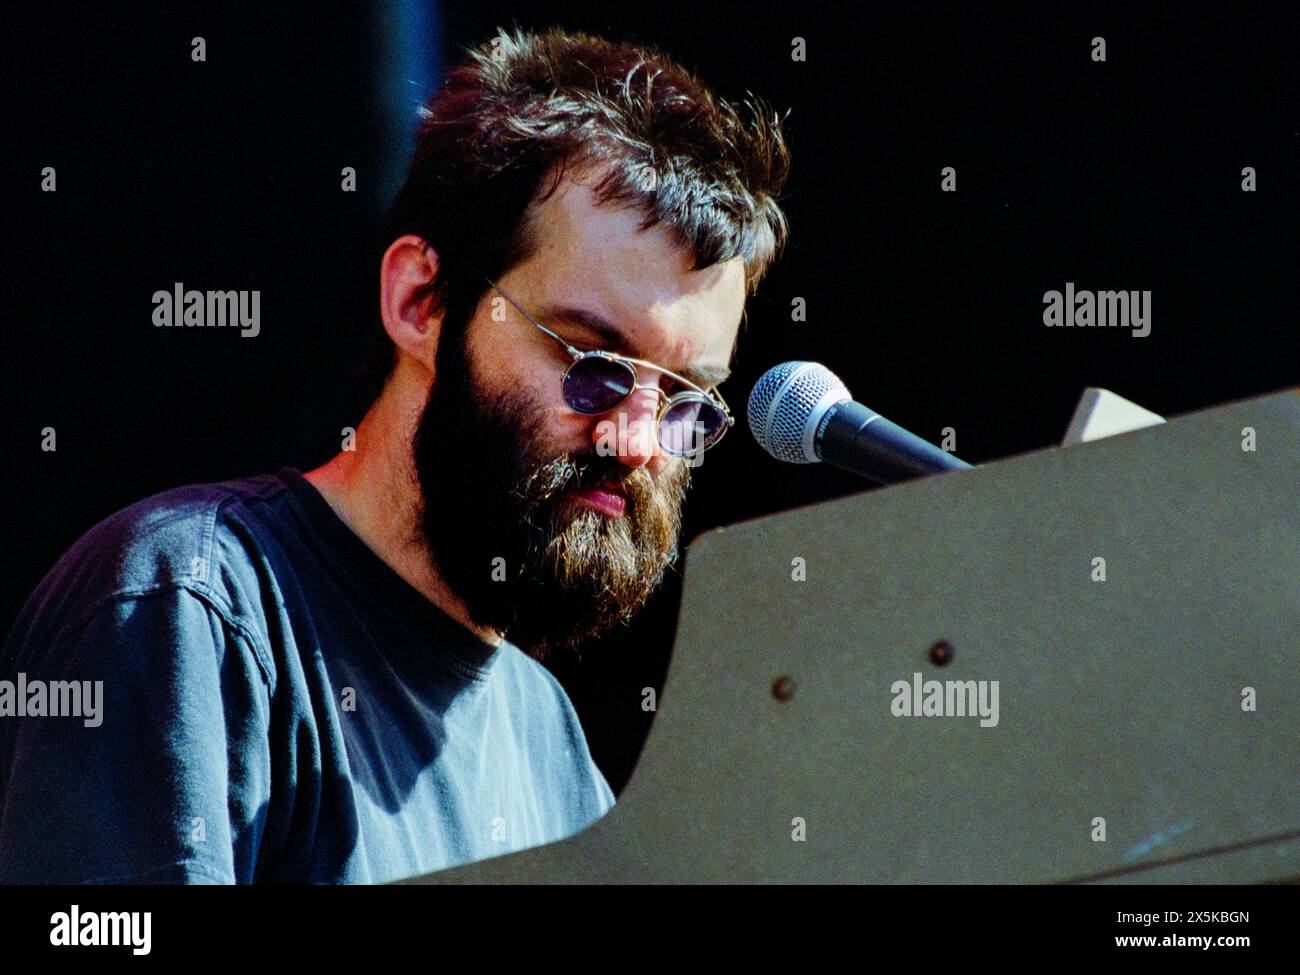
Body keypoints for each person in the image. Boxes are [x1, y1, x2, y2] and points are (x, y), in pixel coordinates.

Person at [0, 26, 789, 884]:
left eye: (682, 400)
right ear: (421, 300)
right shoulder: (191, 606)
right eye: (591, 363)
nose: (635, 441)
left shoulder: (554, 746)